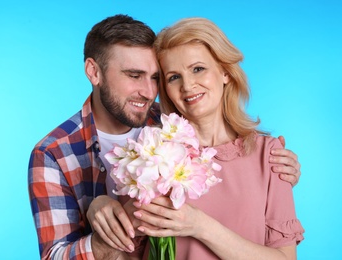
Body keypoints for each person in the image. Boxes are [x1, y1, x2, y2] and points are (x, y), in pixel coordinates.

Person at [28, 14, 302, 259]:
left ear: (226, 72)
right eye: (135, 75)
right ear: (94, 71)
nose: (148, 92)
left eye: (155, 78)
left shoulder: (171, 127)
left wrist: (270, 174)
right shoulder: (57, 153)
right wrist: (102, 209)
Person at [131, 17, 305, 259]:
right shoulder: (153, 154)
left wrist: (200, 226)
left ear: (224, 72)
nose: (188, 85)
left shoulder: (271, 156)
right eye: (174, 77)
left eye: (198, 69)